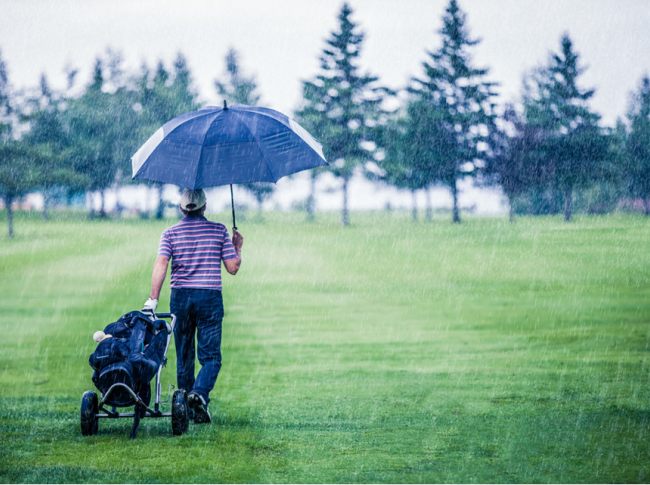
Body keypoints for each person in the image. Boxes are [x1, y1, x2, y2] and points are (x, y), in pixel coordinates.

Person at [143, 189, 243, 424]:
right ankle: (199, 394)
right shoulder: (219, 231)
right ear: (204, 207)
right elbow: (233, 268)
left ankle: (184, 406)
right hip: (209, 297)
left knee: (184, 355)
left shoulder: (170, 233)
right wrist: (237, 246)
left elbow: (161, 262)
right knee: (211, 358)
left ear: (181, 208)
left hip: (181, 298)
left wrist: (153, 299)